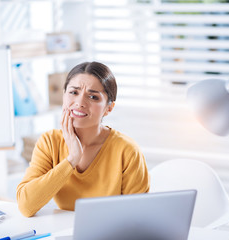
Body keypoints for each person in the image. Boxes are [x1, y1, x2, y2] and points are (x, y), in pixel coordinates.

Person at [16, 61, 150, 217]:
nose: (80, 103)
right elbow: (26, 206)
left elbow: (138, 217)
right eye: (74, 92)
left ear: (109, 108)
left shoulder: (127, 150)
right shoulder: (49, 142)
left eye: (93, 97)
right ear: (64, 95)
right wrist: (72, 159)